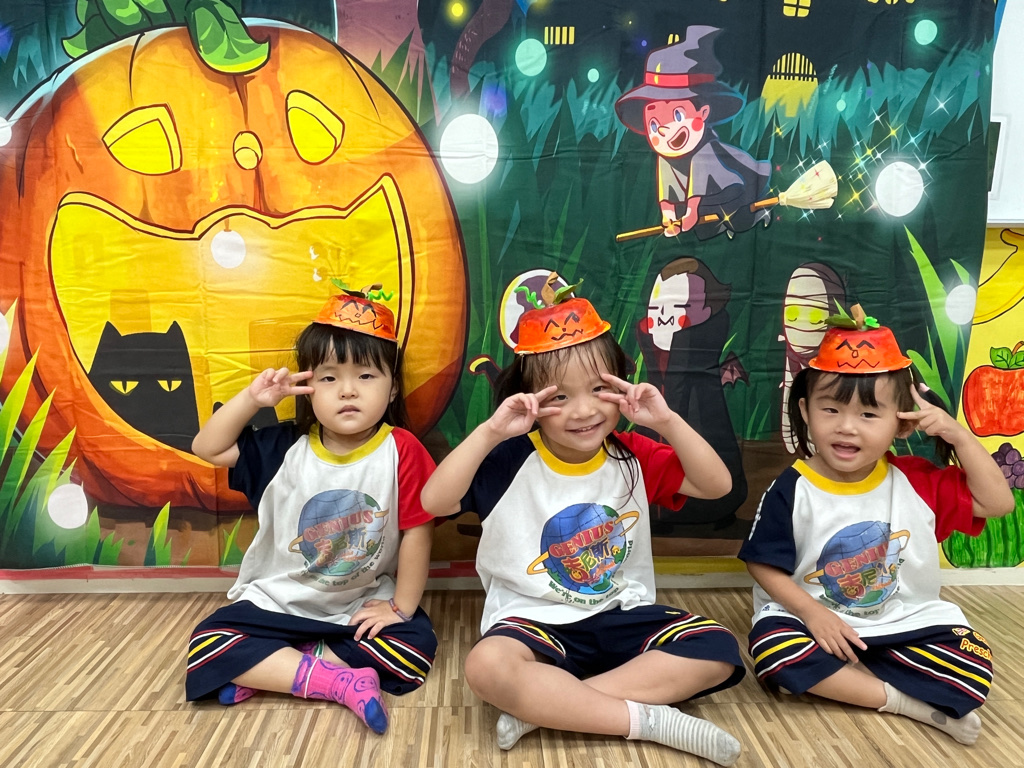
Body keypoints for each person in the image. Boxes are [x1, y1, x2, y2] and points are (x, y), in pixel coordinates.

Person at [421, 277, 746, 766]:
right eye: (560, 397)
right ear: (529, 400)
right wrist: (489, 432)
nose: (585, 410)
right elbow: (434, 502)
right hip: (533, 622)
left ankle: (549, 708)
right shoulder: (507, 459)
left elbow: (717, 486)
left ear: (621, 386)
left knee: (718, 648)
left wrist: (666, 421)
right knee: (487, 666)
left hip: (620, 614)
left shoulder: (632, 454)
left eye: (599, 389)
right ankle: (649, 722)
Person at [739, 312, 1014, 745]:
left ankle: (852, 678)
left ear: (902, 424)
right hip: (816, 621)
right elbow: (762, 564)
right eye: (830, 409)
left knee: (972, 660)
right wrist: (813, 614)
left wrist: (958, 436)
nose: (846, 427)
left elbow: (998, 504)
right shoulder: (793, 487)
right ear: (806, 410)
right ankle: (905, 701)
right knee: (773, 649)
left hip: (904, 620)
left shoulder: (916, 480)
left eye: (869, 414)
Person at [185, 287, 438, 735]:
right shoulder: (284, 448)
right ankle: (336, 681)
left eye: (366, 376)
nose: (347, 390)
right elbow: (207, 447)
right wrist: (253, 399)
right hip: (279, 601)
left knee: (414, 647)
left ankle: (277, 669)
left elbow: (418, 531)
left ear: (393, 388)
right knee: (209, 644)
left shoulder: (402, 450)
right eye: (329, 378)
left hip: (359, 603)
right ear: (308, 387)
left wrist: (400, 608)